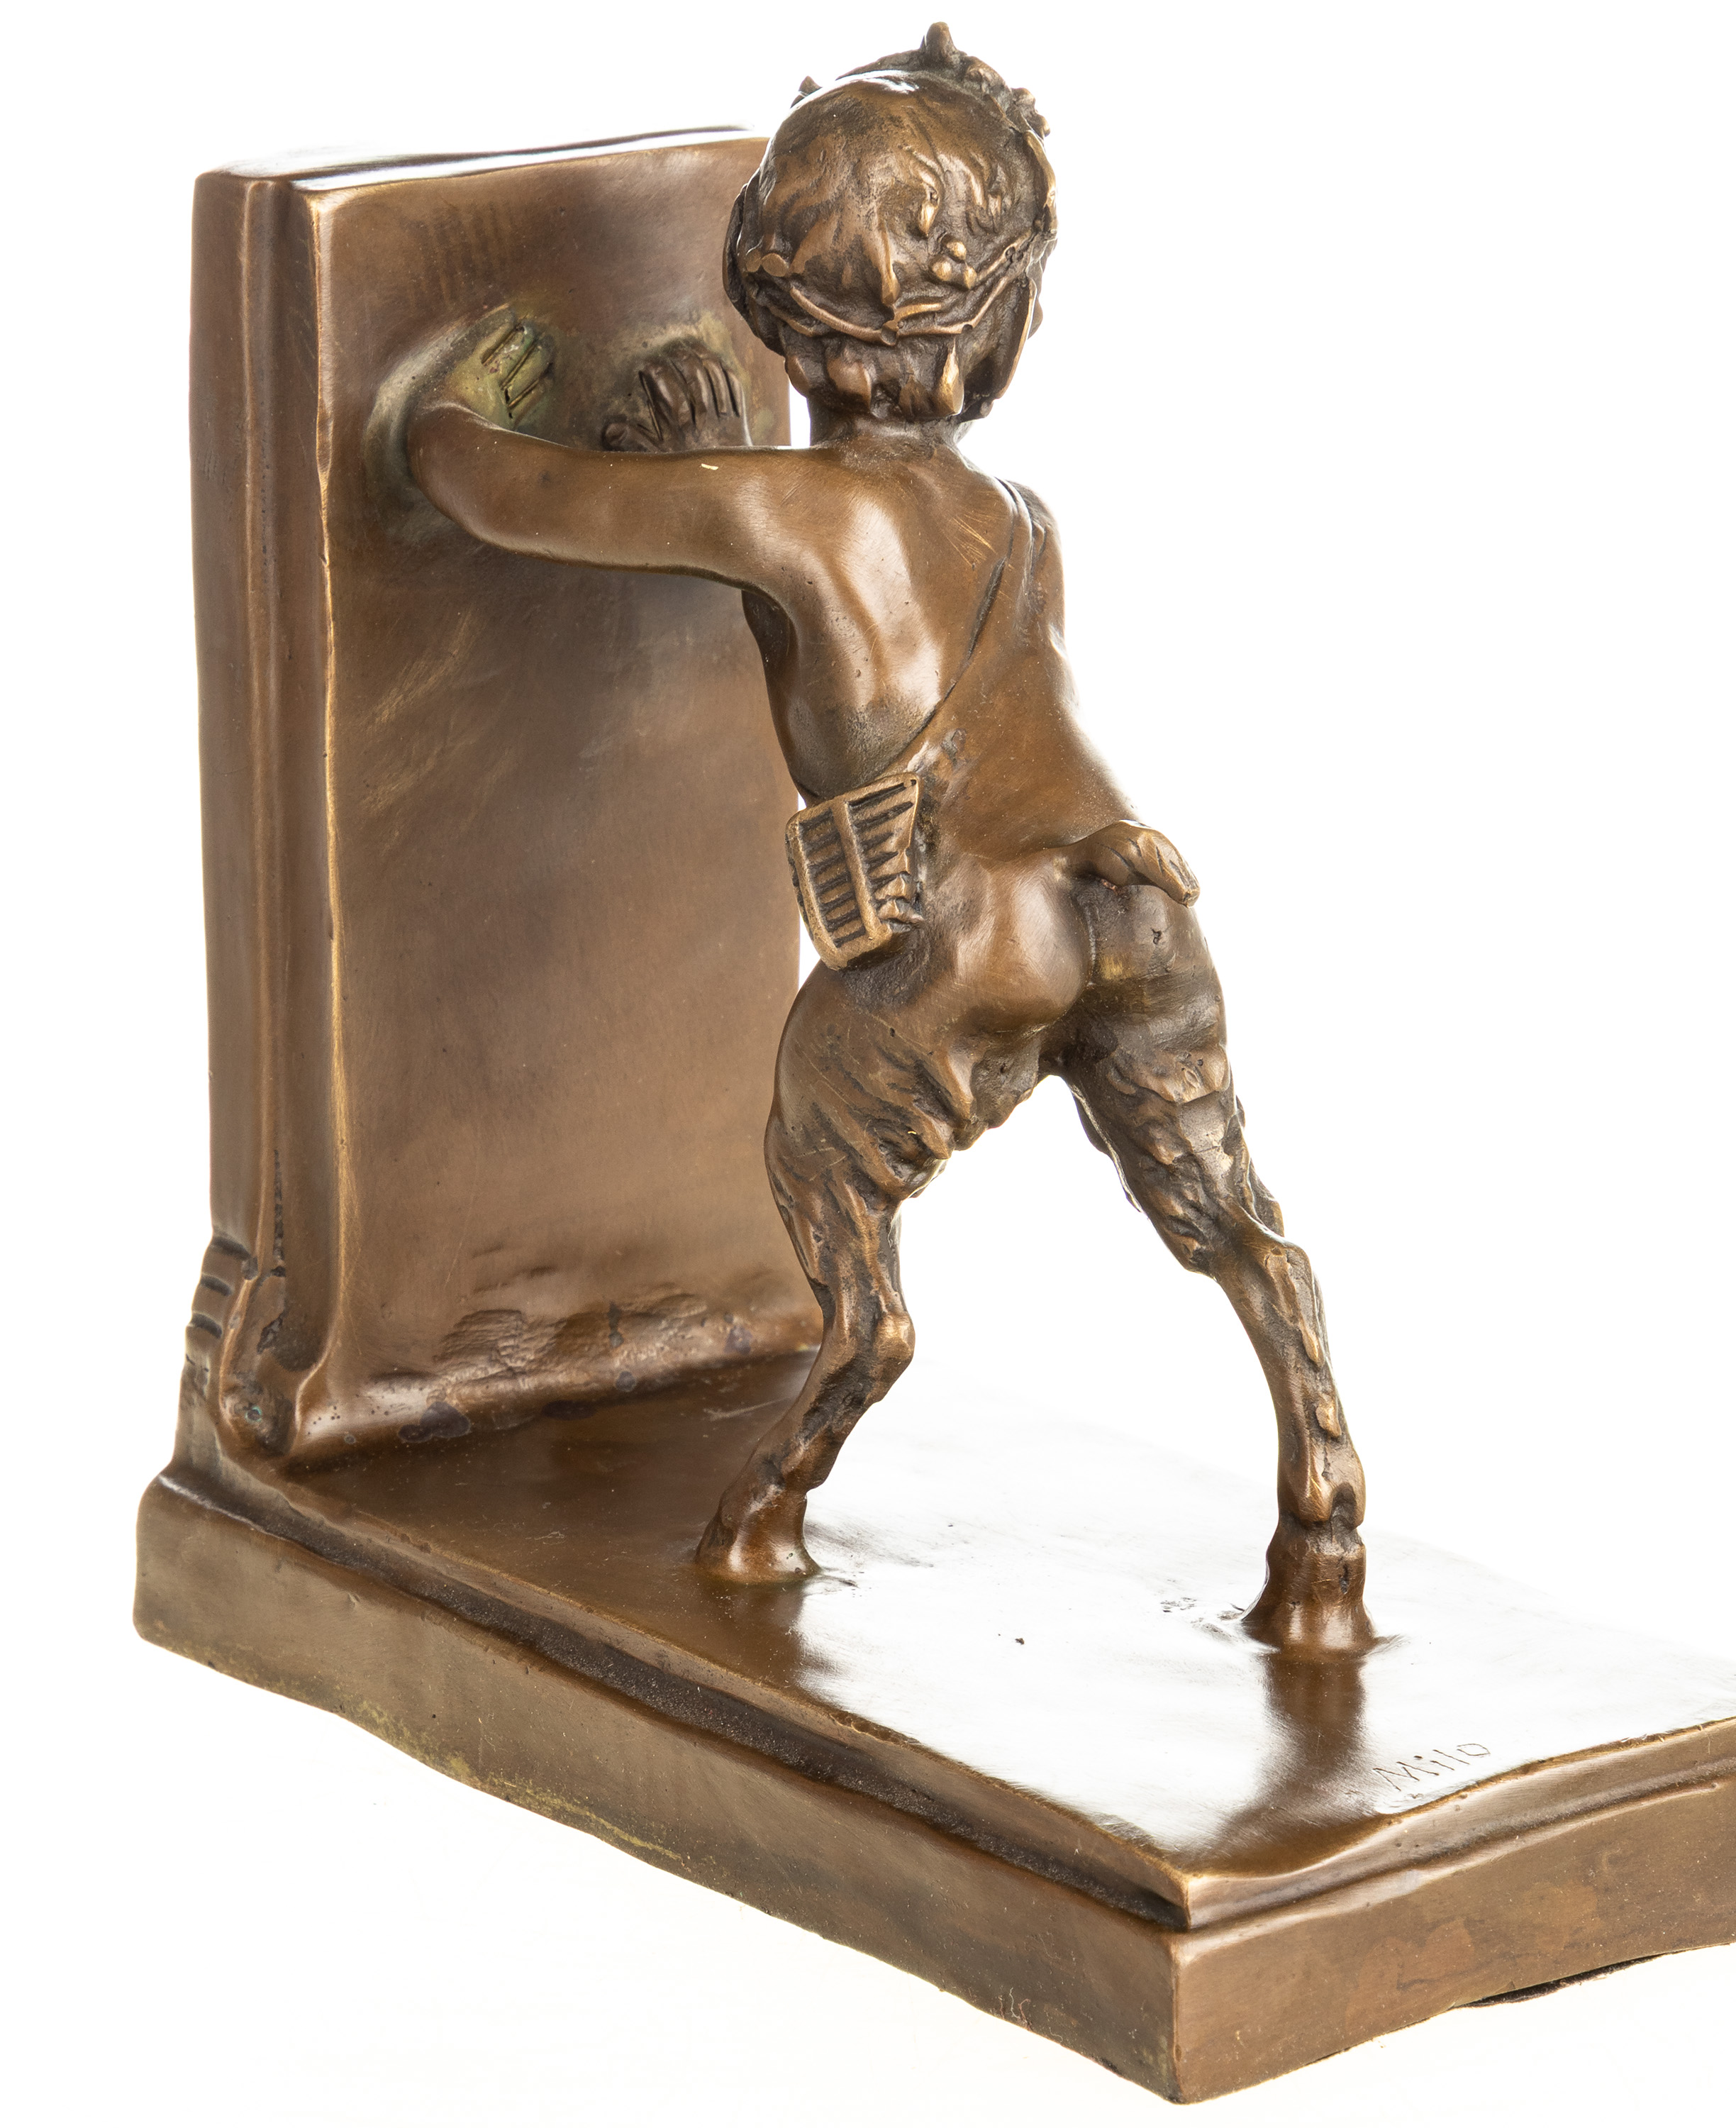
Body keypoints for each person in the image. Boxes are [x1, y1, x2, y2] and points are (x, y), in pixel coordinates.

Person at [406, 24, 1367, 1651]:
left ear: (777, 306)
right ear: (1005, 324)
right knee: (1227, 1223)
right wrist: (711, 469)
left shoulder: (781, 509)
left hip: (974, 930)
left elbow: (503, 495)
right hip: (1129, 887)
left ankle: (804, 1447)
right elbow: (882, 666)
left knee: (818, 1165)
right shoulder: (1022, 525)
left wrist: (446, 414)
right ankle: (1324, 1506)